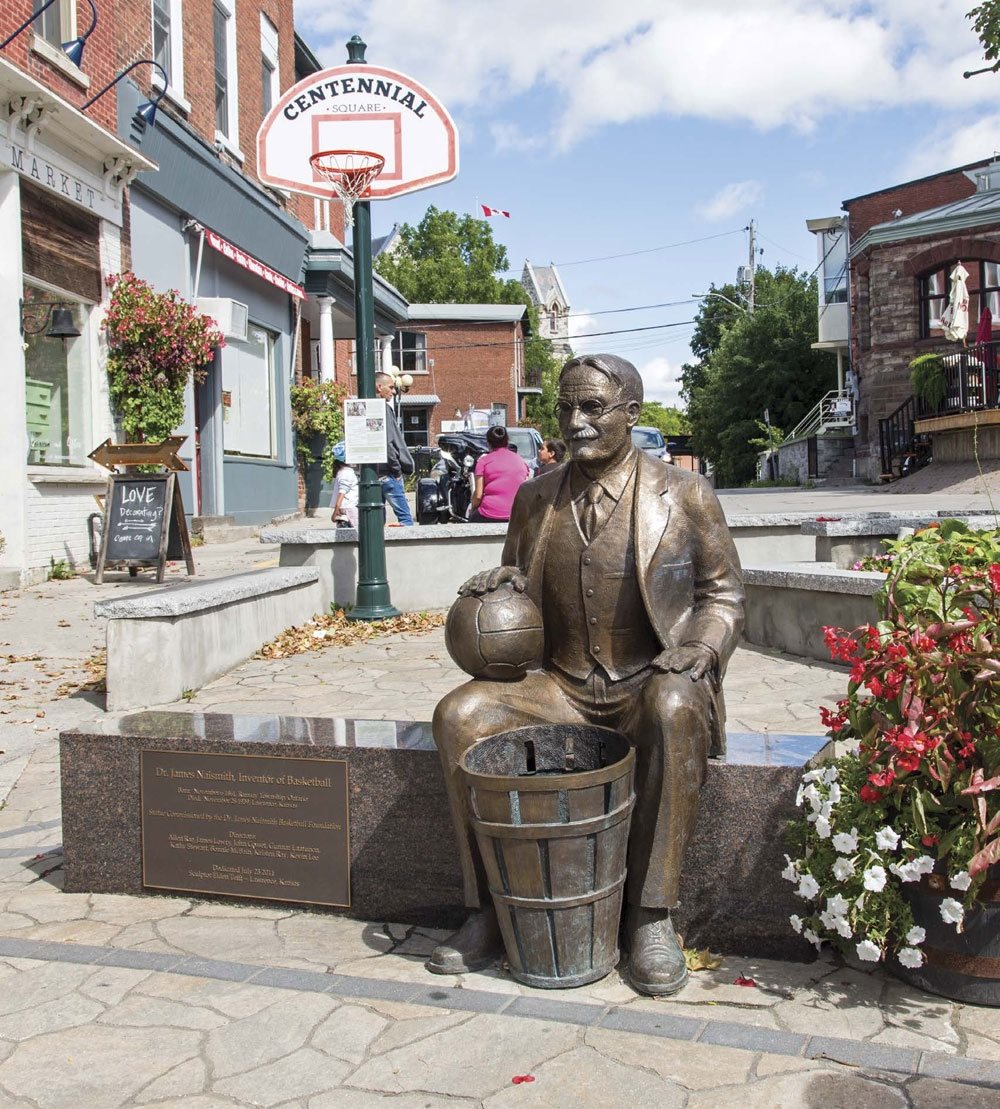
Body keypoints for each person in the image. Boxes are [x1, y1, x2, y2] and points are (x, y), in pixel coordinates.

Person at [428, 353, 745, 996]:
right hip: (562, 687)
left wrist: (703, 651)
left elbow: (726, 596)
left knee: (675, 707)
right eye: (566, 407)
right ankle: (486, 909)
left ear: (632, 413)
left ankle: (650, 916)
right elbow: (522, 591)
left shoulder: (686, 494)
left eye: (593, 407)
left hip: (648, 677)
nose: (575, 421)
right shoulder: (534, 496)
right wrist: (501, 590)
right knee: (459, 716)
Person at [373, 372, 415, 525]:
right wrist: (396, 470)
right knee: (406, 519)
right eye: (390, 387)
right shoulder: (383, 409)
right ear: (379, 387)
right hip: (389, 474)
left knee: (377, 520)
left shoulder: (367, 407)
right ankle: (409, 549)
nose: (394, 391)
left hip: (372, 474)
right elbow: (388, 443)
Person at [469, 425, 530, 522]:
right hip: (517, 513)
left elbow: (478, 495)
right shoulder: (520, 460)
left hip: (490, 513)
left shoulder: (483, 461)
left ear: (488, 442)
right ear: (507, 440)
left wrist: (472, 509)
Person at [329, 442, 358, 528]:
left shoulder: (342, 472)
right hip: (350, 508)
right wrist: (335, 512)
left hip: (344, 508)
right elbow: (342, 493)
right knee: (357, 534)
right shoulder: (347, 473)